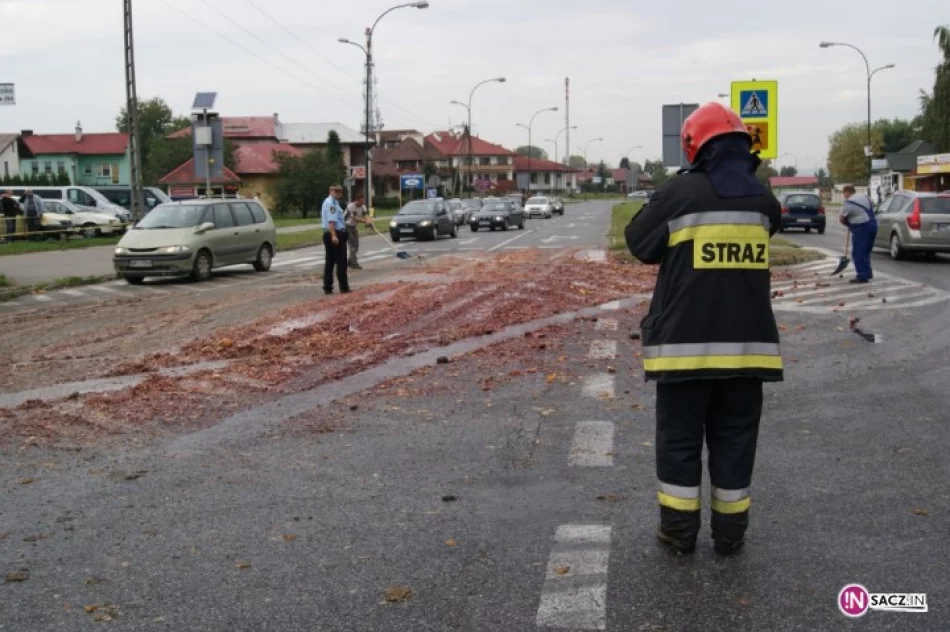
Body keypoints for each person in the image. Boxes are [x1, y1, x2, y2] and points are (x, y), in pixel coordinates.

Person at [624, 102, 784, 556]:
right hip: (748, 355)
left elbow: (639, 244)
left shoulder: (680, 193)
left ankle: (678, 533)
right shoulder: (761, 199)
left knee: (679, 443)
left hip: (684, 353)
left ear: (694, 145)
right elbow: (772, 225)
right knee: (735, 444)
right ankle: (731, 537)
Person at [839, 185, 877, 284]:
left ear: (847, 192)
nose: (844, 196)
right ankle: (868, 272)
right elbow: (873, 205)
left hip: (862, 227)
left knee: (858, 252)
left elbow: (841, 218)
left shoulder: (848, 202)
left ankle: (862, 276)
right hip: (873, 225)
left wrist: (848, 224)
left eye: (844, 193)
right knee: (866, 251)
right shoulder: (865, 197)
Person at [321, 184, 349, 295]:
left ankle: (328, 287)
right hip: (335, 233)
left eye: (340, 191)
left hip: (331, 233)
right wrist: (334, 235)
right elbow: (331, 221)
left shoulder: (333, 202)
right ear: (331, 191)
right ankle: (344, 287)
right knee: (341, 262)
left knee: (330, 262)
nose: (339, 193)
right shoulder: (331, 204)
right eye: (336, 191)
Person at [345, 194, 372, 269]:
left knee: (356, 245)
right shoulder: (351, 206)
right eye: (361, 201)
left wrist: (369, 222)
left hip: (354, 226)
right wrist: (364, 221)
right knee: (352, 244)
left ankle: (349, 261)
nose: (362, 203)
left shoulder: (363, 207)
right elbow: (355, 218)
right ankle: (354, 264)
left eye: (363, 201)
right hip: (347, 226)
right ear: (357, 200)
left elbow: (366, 216)